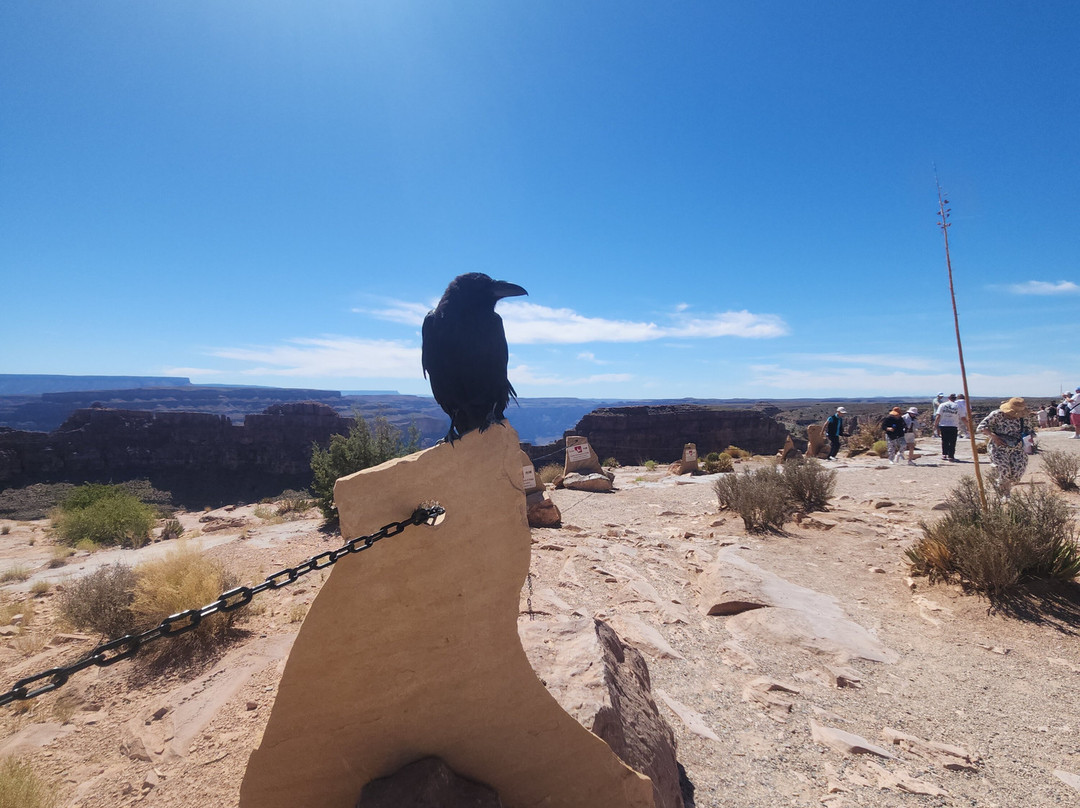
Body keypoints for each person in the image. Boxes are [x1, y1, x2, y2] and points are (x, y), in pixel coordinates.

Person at [977, 397, 1031, 498]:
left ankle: (1004, 487)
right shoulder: (997, 414)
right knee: (1004, 470)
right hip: (999, 447)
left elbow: (1029, 430)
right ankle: (1004, 495)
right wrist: (993, 436)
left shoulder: (1023, 416)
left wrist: (1029, 441)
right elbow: (981, 427)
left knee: (1017, 472)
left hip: (1017, 447)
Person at [933, 393, 961, 462]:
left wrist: (935, 424)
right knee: (952, 441)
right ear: (955, 398)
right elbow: (960, 416)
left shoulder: (942, 405)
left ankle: (944, 454)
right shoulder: (957, 406)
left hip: (944, 424)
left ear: (948, 398)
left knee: (944, 440)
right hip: (953, 425)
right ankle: (951, 456)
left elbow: (938, 415)